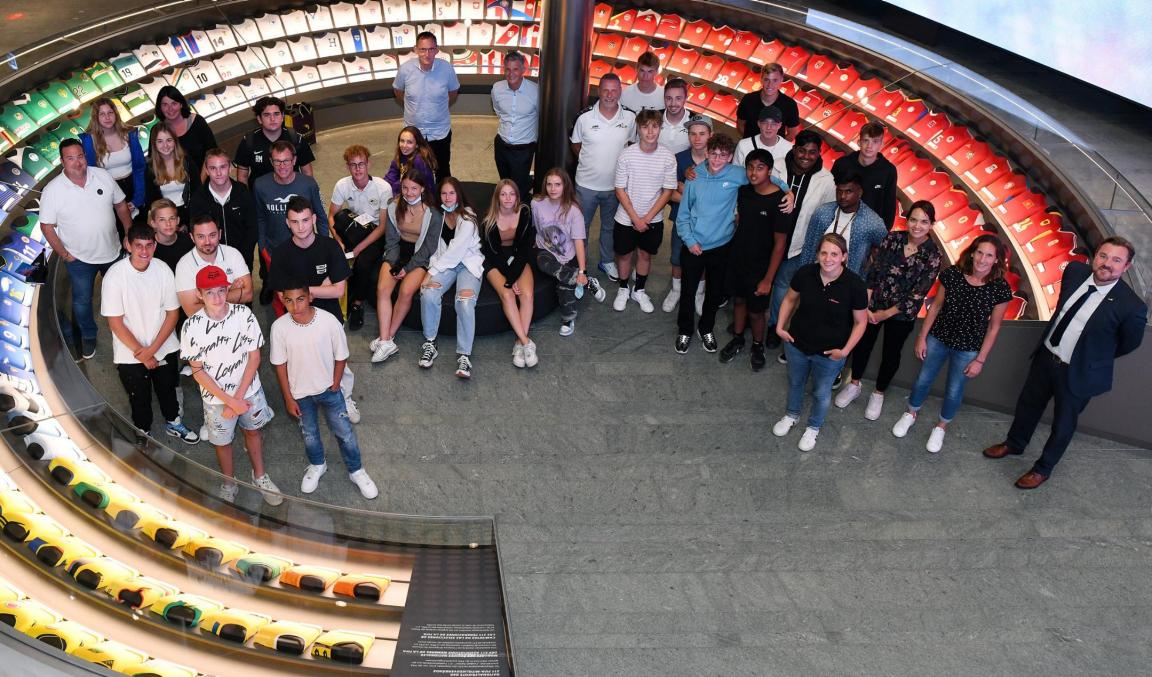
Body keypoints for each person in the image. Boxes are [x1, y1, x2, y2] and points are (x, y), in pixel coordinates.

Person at [984, 237, 1147, 489]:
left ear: (1126, 267)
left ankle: (1043, 468)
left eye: (1116, 260)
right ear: (1095, 256)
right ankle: (1014, 443)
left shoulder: (1131, 305)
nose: (1107, 264)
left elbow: (1128, 343)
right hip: (1046, 357)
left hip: (1078, 372)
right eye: (1103, 256)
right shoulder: (1075, 271)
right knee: (1028, 405)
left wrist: (1092, 358)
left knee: (1063, 423)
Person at [892, 234, 1014, 453]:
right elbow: (936, 307)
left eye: (989, 255)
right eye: (979, 252)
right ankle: (911, 413)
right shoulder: (953, 275)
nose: (982, 259)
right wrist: (922, 338)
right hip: (938, 338)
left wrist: (980, 360)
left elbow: (994, 327)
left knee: (954, 390)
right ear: (972, 252)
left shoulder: (1000, 288)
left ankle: (941, 427)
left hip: (968, 348)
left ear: (996, 260)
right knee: (923, 380)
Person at [179, 265, 282, 505]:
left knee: (253, 431)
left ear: (228, 289)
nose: (216, 298)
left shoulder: (243, 315)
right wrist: (230, 402)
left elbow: (254, 358)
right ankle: (229, 481)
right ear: (198, 294)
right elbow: (198, 370)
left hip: (249, 391)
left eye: (221, 291)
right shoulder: (191, 326)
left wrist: (237, 398)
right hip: (217, 400)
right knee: (222, 443)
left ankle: (259, 475)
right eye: (209, 292)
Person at [835, 201, 942, 420]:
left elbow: (918, 293)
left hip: (900, 314)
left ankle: (878, 393)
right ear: (907, 219)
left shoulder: (933, 255)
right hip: (874, 303)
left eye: (924, 221)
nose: (917, 226)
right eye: (913, 219)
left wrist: (885, 313)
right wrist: (867, 304)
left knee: (891, 353)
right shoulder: (893, 238)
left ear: (931, 224)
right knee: (863, 345)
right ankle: (854, 384)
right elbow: (874, 270)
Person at [270, 282, 378, 499]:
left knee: (345, 433)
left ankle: (356, 470)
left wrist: (336, 383)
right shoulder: (279, 327)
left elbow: (341, 355)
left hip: (330, 389)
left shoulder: (328, 321)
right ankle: (317, 464)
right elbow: (279, 365)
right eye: (288, 300)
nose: (295, 306)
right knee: (309, 434)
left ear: (310, 297)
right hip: (300, 394)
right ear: (283, 300)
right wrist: (288, 397)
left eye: (300, 299)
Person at [101, 224, 197, 444]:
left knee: (168, 389)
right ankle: (143, 430)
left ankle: (173, 422)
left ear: (155, 245)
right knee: (139, 396)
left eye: (149, 245)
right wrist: (142, 353)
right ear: (128, 245)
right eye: (138, 246)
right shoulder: (115, 276)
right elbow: (115, 322)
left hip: (163, 346)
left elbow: (172, 313)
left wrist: (152, 351)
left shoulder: (162, 269)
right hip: (129, 353)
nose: (144, 252)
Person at [40, 138, 134, 359]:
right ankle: (89, 335)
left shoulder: (101, 176)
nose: (77, 162)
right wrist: (64, 254)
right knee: (82, 302)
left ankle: (129, 331)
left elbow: (120, 204)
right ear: (62, 161)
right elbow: (46, 226)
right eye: (70, 158)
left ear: (85, 156)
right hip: (79, 260)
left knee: (124, 294)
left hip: (112, 252)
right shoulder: (53, 191)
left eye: (80, 156)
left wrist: (129, 232)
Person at [773, 234, 868, 451]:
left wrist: (844, 351)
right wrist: (780, 327)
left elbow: (860, 323)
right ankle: (791, 415)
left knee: (821, 393)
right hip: (797, 345)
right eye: (824, 253)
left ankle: (814, 427)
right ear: (817, 254)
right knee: (795, 383)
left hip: (829, 354)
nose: (828, 258)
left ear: (844, 256)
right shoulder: (805, 273)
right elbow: (789, 299)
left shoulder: (855, 286)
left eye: (834, 254)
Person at [674, 133, 744, 354]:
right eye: (713, 154)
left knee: (714, 292)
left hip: (721, 246)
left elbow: (765, 178)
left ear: (730, 157)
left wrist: (788, 192)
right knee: (688, 291)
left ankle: (706, 328)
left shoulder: (737, 175)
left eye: (723, 155)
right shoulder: (694, 177)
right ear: (707, 153)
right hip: (694, 246)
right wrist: (690, 240)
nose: (716, 159)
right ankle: (684, 330)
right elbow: (683, 215)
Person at [718, 150, 788, 371]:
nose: (753, 172)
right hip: (738, 259)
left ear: (769, 170)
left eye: (760, 168)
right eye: (750, 167)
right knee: (739, 301)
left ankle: (758, 345)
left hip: (761, 266)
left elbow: (779, 244)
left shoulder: (780, 201)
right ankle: (738, 338)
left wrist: (768, 279)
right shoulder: (744, 192)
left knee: (757, 312)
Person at [769, 130, 837, 343]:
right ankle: (755, 320)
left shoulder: (826, 180)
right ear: (794, 149)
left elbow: (827, 214)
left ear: (818, 154)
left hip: (798, 245)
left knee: (782, 286)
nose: (806, 156)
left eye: (812, 152)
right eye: (802, 150)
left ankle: (774, 327)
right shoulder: (776, 165)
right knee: (761, 281)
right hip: (768, 239)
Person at [370, 171, 443, 363]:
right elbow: (392, 242)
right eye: (405, 188)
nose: (409, 193)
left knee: (405, 291)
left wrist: (407, 268)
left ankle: (387, 338)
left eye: (414, 188)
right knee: (382, 289)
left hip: (419, 257)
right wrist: (394, 264)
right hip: (398, 252)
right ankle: (386, 339)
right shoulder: (394, 206)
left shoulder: (433, 214)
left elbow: (428, 248)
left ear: (422, 189)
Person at [571, 72, 637, 281]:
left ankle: (606, 261)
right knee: (582, 226)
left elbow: (633, 145)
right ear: (598, 91)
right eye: (605, 90)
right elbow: (575, 144)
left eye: (614, 90)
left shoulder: (630, 117)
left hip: (615, 187)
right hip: (586, 185)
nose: (609, 95)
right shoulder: (584, 117)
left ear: (620, 92)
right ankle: (580, 264)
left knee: (610, 227)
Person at [418, 177, 485, 378]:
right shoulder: (436, 215)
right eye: (444, 193)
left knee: (464, 303)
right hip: (445, 264)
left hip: (466, 264)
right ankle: (430, 342)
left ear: (459, 195)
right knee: (428, 293)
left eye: (452, 193)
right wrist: (430, 270)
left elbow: (456, 252)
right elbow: (431, 245)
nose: (447, 198)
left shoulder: (468, 218)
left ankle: (464, 356)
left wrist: (429, 273)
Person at [611, 109, 677, 313]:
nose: (650, 131)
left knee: (645, 255)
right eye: (645, 127)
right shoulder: (626, 155)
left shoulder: (667, 157)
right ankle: (623, 288)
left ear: (660, 128)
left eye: (655, 126)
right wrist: (635, 218)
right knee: (623, 255)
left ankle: (638, 290)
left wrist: (646, 219)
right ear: (638, 129)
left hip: (653, 219)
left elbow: (668, 191)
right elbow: (619, 189)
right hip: (625, 218)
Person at [253, 140, 329, 304]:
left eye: (286, 160)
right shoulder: (260, 185)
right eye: (277, 161)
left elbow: (321, 216)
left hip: (305, 247)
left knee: (304, 291)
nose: (282, 166)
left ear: (294, 160)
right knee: (282, 295)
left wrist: (324, 245)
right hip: (274, 249)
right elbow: (260, 218)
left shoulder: (308, 184)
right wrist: (262, 245)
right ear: (271, 161)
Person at [534, 167, 606, 337]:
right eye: (549, 184)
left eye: (557, 184)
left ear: (565, 186)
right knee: (543, 262)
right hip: (547, 251)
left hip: (569, 255)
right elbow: (536, 227)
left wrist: (582, 270)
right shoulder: (536, 203)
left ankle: (568, 318)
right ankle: (586, 282)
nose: (553, 189)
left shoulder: (574, 211)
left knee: (564, 288)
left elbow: (579, 242)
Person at [328, 144, 393, 331]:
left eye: (361, 164)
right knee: (340, 220)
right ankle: (340, 295)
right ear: (348, 166)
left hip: (374, 233)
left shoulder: (383, 188)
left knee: (363, 263)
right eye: (353, 165)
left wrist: (357, 249)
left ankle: (356, 303)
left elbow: (382, 227)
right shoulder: (342, 185)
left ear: (369, 164)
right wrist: (338, 241)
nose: (358, 169)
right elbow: (332, 216)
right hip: (353, 228)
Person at [480, 179, 538, 367]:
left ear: (517, 196)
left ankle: (518, 343)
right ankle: (526, 342)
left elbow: (525, 247)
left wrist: (514, 275)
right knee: (507, 293)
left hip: (517, 255)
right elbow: (492, 253)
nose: (508, 198)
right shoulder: (488, 221)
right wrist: (508, 278)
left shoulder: (525, 212)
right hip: (495, 261)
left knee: (527, 295)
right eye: (503, 194)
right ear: (497, 197)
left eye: (511, 194)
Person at [267, 196, 351, 324]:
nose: (301, 227)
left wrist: (299, 294)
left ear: (313, 219)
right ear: (287, 223)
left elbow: (339, 291)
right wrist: (322, 288)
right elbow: (284, 298)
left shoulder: (331, 247)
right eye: (295, 222)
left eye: (305, 220)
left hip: (329, 316)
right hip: (297, 319)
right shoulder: (280, 253)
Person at [393, 31, 460, 179]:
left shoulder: (446, 69)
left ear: (437, 49)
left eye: (431, 49)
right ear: (416, 50)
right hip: (414, 134)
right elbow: (398, 91)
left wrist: (437, 106)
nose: (427, 54)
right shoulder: (405, 70)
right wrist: (413, 105)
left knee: (443, 170)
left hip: (440, 132)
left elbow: (453, 92)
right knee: (414, 173)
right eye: (423, 49)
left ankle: (443, 201)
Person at [663, 114, 712, 313]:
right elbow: (669, 192)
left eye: (702, 133)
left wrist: (689, 190)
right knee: (676, 257)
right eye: (692, 133)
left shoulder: (717, 160)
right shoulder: (680, 158)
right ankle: (676, 289)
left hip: (708, 223)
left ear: (711, 135)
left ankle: (699, 294)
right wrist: (688, 195)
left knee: (703, 257)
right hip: (681, 220)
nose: (697, 138)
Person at [188, 148, 259, 276]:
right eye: (213, 168)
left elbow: (252, 228)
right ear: (207, 170)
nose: (219, 173)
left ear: (230, 167)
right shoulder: (198, 198)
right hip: (211, 261)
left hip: (242, 259)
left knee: (243, 294)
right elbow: (196, 231)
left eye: (223, 167)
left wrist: (242, 255)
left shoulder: (243, 193)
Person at [175, 215, 254, 317]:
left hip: (235, 317)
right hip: (203, 326)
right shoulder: (184, 265)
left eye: (212, 235)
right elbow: (191, 310)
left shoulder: (233, 253)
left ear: (220, 234)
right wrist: (231, 291)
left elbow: (248, 295)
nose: (207, 242)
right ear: (192, 237)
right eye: (201, 237)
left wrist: (203, 299)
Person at [79, 97, 145, 216]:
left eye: (110, 113)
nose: (107, 117)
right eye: (102, 114)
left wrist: (137, 199)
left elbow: (140, 168)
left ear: (116, 114)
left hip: (133, 186)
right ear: (96, 117)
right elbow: (90, 174)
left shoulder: (130, 134)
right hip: (108, 192)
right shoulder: (89, 140)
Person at [233, 96, 315, 185]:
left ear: (282, 116)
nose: (272, 119)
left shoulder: (296, 139)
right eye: (267, 115)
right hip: (260, 195)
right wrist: (246, 197)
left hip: (292, 193)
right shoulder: (248, 142)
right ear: (259, 119)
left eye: (276, 114)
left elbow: (307, 172)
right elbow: (242, 176)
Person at [491, 51, 538, 201]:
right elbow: (498, 111)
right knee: (505, 186)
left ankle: (520, 218)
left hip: (523, 149)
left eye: (516, 69)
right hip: (501, 145)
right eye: (508, 69)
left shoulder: (536, 91)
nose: (511, 74)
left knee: (519, 190)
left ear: (524, 70)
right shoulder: (497, 88)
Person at [831, 121, 898, 228]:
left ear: (882, 145)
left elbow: (889, 207)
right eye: (866, 140)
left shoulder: (888, 171)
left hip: (868, 229)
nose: (869, 146)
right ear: (859, 142)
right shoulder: (842, 164)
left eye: (875, 141)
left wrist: (883, 236)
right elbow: (829, 193)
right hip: (838, 223)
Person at [143, 124, 199, 226]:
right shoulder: (150, 169)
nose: (165, 145)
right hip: (165, 219)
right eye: (160, 141)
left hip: (191, 215)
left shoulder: (187, 161)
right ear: (154, 144)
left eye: (169, 140)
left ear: (175, 141)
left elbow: (197, 191)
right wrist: (173, 224)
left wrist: (186, 223)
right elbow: (152, 201)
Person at [154, 85, 216, 175]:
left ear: (181, 104)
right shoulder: (157, 130)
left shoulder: (197, 122)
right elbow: (156, 162)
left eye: (174, 103)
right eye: (165, 105)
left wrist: (199, 183)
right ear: (160, 107)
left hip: (205, 176)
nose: (170, 109)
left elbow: (212, 153)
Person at [736, 63, 800, 141]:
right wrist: (752, 143)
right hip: (749, 149)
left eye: (775, 80)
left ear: (781, 80)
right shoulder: (748, 99)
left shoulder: (790, 105)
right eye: (767, 80)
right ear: (761, 79)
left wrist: (776, 147)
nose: (770, 85)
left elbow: (792, 133)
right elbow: (740, 125)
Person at [733, 105, 793, 170]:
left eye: (773, 124)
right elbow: (734, 172)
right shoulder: (743, 145)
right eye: (765, 122)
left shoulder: (789, 149)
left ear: (779, 125)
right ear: (759, 124)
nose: (768, 127)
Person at [383, 125, 437, 194]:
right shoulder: (401, 155)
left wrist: (393, 188)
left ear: (417, 144)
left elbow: (416, 187)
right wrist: (382, 186)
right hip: (404, 193)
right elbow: (391, 175)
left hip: (421, 198)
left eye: (409, 142)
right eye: (402, 141)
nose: (404, 145)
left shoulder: (419, 161)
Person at [147, 198, 193, 274]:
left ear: (178, 220)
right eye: (162, 219)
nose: (168, 224)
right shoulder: (148, 248)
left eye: (172, 218)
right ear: (153, 223)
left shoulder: (189, 241)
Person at [657, 78, 690, 155]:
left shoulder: (694, 121)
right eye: (669, 98)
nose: (673, 104)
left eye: (678, 98)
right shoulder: (653, 118)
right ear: (664, 98)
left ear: (686, 99)